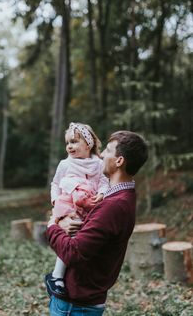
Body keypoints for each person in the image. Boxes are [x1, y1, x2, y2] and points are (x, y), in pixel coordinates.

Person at [46, 130, 148, 316]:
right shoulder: (120, 196)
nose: (101, 155)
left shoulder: (113, 206)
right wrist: (64, 222)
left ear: (119, 161)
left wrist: (52, 225)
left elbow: (73, 252)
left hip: (76, 304)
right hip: (85, 298)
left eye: (108, 151)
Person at [45, 122, 109, 297]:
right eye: (67, 143)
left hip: (89, 205)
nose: (69, 146)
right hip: (68, 205)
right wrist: (55, 201)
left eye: (74, 142)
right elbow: (55, 184)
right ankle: (56, 276)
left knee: (86, 241)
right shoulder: (65, 165)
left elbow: (104, 182)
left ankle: (81, 276)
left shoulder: (98, 164)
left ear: (88, 144)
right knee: (71, 237)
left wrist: (102, 193)